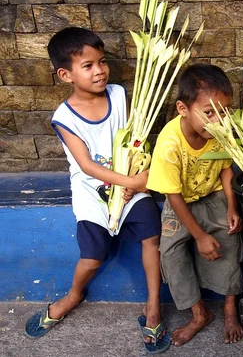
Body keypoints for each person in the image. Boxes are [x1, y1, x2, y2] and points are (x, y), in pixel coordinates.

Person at [24, 27, 169, 354]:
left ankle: (153, 305)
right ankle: (74, 294)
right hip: (93, 190)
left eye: (101, 62)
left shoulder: (119, 95)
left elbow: (137, 138)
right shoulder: (64, 117)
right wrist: (131, 182)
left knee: (152, 237)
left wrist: (135, 177)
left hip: (131, 184)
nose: (99, 70)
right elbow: (86, 165)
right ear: (65, 74)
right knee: (92, 256)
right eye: (87, 65)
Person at [146, 63, 243, 346]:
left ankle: (229, 308)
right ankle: (199, 313)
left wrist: (231, 206)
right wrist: (199, 236)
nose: (218, 120)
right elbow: (173, 196)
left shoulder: (220, 133)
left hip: (214, 196)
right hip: (180, 203)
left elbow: (227, 169)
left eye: (224, 111)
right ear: (183, 108)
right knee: (171, 254)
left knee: (230, 239)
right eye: (209, 112)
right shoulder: (169, 143)